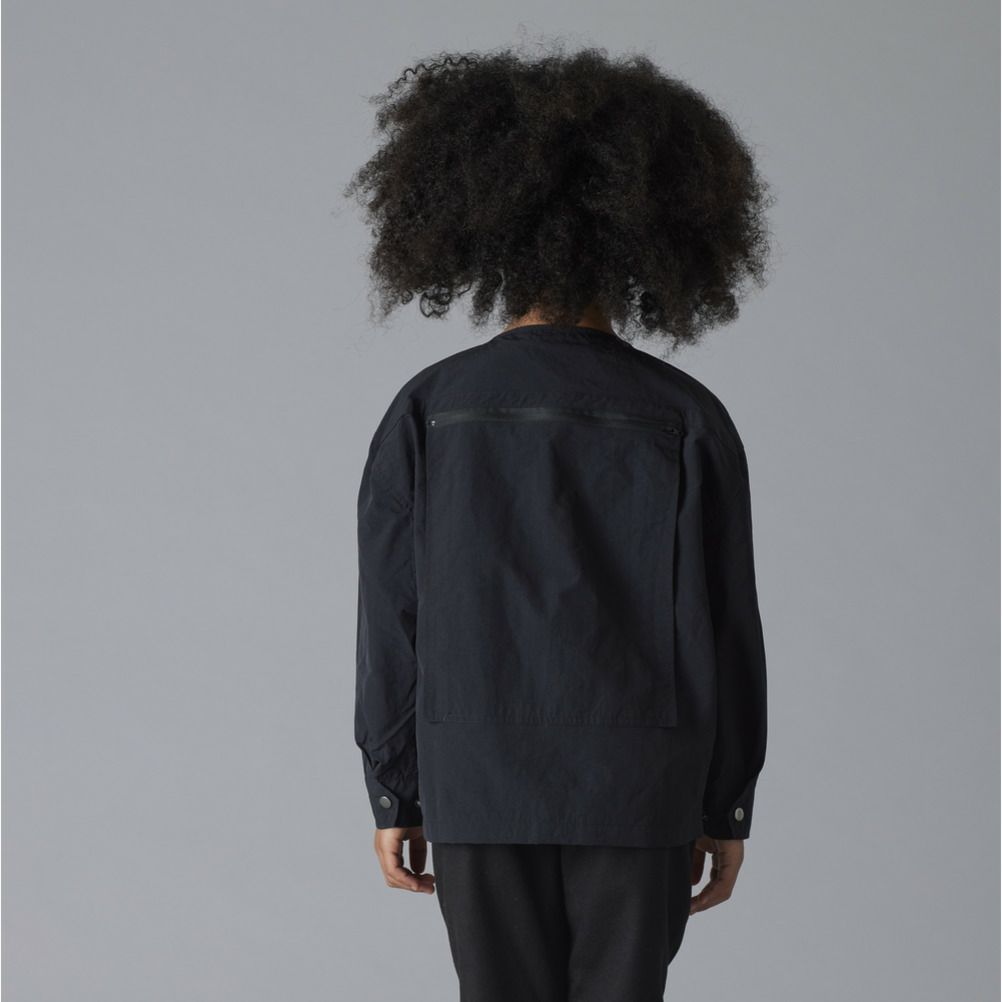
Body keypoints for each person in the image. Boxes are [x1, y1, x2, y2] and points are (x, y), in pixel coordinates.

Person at [345, 42, 772, 1001]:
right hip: (641, 783)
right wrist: (727, 804)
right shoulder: (686, 414)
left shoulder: (430, 408)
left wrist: (394, 786)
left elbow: (392, 617)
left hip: (476, 775)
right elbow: (728, 626)